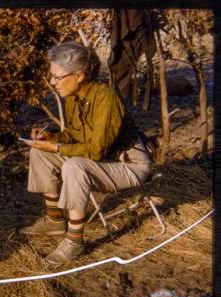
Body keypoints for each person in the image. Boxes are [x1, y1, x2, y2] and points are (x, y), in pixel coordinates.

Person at [20, 41, 152, 263]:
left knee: (75, 165)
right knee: (40, 153)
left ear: (79, 76)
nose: (53, 82)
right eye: (51, 76)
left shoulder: (106, 98)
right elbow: (74, 134)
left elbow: (96, 150)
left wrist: (59, 147)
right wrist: (51, 138)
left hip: (128, 165)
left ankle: (74, 242)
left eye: (57, 77)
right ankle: (54, 221)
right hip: (103, 161)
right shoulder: (74, 97)